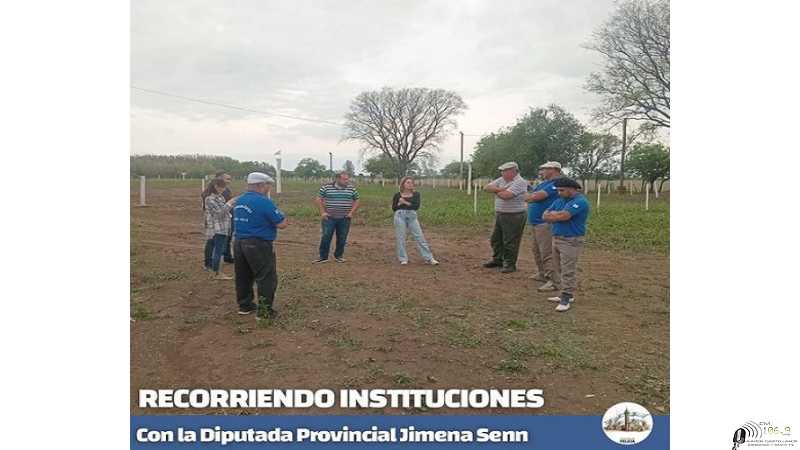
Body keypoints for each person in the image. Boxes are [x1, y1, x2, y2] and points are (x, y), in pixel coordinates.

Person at [232, 172, 287, 319]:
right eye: (268, 185)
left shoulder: (240, 200)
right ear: (260, 185)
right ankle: (264, 312)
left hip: (239, 242)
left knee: (243, 276)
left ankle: (245, 305)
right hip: (258, 243)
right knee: (266, 277)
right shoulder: (264, 202)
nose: (269, 188)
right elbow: (282, 224)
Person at [542, 177, 590, 312]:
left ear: (571, 189)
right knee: (558, 268)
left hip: (571, 240)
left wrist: (555, 215)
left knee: (568, 269)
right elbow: (544, 215)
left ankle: (566, 297)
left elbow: (564, 216)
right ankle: (566, 294)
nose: (559, 193)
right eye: (558, 190)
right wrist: (556, 215)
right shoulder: (560, 200)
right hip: (557, 238)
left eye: (562, 190)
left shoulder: (580, 202)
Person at [483, 162, 529, 273]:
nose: (502, 173)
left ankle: (509, 263)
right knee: (496, 239)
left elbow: (506, 196)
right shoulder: (502, 180)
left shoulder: (520, 182)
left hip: (514, 215)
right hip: (501, 213)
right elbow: (486, 188)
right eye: (502, 171)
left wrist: (496, 190)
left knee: (510, 241)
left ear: (513, 171)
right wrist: (500, 190)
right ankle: (498, 259)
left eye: (505, 171)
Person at [525, 161, 562, 291]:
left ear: (554, 170)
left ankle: (554, 281)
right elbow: (533, 195)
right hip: (536, 222)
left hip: (545, 223)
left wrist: (530, 197)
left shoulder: (556, 184)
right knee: (536, 250)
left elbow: (537, 196)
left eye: (545, 169)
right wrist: (531, 196)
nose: (542, 171)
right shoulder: (544, 183)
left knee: (547, 252)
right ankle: (543, 273)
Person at [314, 171, 360, 263]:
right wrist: (323, 212)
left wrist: (351, 212)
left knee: (342, 238)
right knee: (326, 237)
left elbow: (357, 200)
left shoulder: (351, 189)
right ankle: (323, 257)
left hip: (345, 218)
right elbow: (318, 199)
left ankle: (338, 256)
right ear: (337, 179)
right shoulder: (326, 187)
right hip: (329, 218)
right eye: (344, 179)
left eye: (347, 179)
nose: (347, 181)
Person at [392, 176, 439, 265]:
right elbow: (394, 208)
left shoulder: (416, 194)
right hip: (399, 216)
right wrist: (399, 203)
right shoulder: (397, 195)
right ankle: (403, 259)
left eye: (412, 183)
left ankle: (429, 258)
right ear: (403, 184)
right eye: (408, 182)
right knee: (401, 238)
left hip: (412, 216)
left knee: (420, 237)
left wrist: (404, 202)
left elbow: (416, 206)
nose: (410, 184)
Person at [203, 178, 235, 280]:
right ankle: (216, 273)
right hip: (218, 228)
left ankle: (214, 271)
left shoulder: (220, 197)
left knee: (217, 250)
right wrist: (230, 203)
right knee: (218, 251)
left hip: (223, 227)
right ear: (216, 186)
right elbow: (219, 213)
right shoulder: (209, 199)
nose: (224, 189)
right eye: (222, 187)